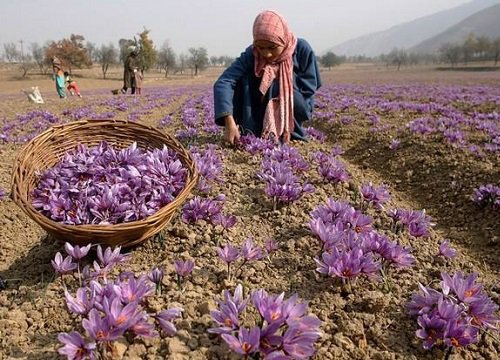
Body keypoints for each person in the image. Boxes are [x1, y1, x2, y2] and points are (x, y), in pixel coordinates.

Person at [213, 10, 321, 144]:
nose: (266, 54)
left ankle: (287, 132)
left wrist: (279, 85)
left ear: (283, 39)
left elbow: (309, 89)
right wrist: (229, 120)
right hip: (259, 108)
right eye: (260, 47)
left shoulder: (301, 49)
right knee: (243, 78)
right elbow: (224, 82)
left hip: (296, 105)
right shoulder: (252, 53)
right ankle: (251, 128)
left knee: (275, 82)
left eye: (272, 47)